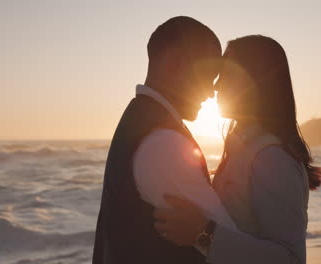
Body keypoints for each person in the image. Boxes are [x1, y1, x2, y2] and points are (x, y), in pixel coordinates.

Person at [154, 35, 321, 264]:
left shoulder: (271, 158)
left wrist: (205, 231)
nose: (215, 85)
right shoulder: (242, 150)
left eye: (226, 72)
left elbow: (289, 258)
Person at [92, 16, 236, 264]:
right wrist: (207, 232)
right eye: (208, 75)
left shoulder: (139, 122)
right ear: (174, 63)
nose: (212, 91)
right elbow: (235, 253)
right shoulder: (166, 144)